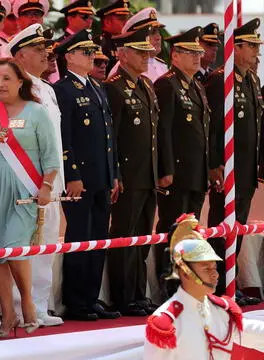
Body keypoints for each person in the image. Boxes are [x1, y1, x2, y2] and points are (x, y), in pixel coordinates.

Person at [0, 58, 60, 337]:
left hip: (24, 189)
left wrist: (46, 186)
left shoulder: (37, 112)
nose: (0, 84)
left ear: (21, 82)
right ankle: (7, 317)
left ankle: (26, 302)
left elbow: (50, 155)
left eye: (6, 78)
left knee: (16, 248)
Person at [53, 29, 120, 321]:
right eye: (85, 52)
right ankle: (76, 300)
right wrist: (72, 174)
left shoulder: (95, 86)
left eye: (92, 52)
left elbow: (108, 136)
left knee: (98, 238)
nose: (92, 57)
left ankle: (92, 297)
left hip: (102, 176)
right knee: (79, 237)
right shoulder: (63, 89)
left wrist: (114, 172)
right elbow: (64, 137)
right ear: (69, 57)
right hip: (80, 178)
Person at [144, 214, 264, 359]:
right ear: (185, 273)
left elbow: (250, 331)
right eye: (206, 269)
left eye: (214, 268)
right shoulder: (166, 323)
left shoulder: (222, 309)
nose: (215, 275)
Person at [7, 23, 64, 327]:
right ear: (19, 56)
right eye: (38, 50)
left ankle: (40, 305)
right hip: (26, 178)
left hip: (51, 178)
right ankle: (21, 306)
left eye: (46, 50)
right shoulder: (13, 87)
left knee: (48, 242)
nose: (46, 55)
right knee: (24, 243)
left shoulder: (47, 89)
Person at [206, 19, 263, 305]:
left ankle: (231, 282)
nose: (257, 52)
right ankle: (218, 284)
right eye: (251, 46)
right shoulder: (220, 79)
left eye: (257, 46)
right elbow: (214, 127)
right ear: (236, 47)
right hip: (227, 168)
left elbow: (256, 126)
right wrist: (214, 163)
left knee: (238, 228)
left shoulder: (252, 79)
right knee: (220, 226)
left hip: (245, 168)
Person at [105, 27, 159, 317]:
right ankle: (122, 296)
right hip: (127, 175)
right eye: (140, 52)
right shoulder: (114, 87)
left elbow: (152, 135)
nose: (146, 57)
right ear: (123, 55)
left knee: (142, 239)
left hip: (146, 175)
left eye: (147, 52)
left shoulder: (146, 85)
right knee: (124, 236)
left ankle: (139, 293)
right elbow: (111, 136)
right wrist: (115, 173)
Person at [154, 27, 210, 301]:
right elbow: (162, 131)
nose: (197, 57)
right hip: (176, 173)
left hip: (196, 172)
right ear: (174, 55)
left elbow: (203, 131)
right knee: (172, 230)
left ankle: (188, 284)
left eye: (199, 52)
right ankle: (169, 287)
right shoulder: (167, 84)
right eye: (190, 52)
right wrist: (166, 169)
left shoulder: (196, 84)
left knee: (191, 233)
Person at [108, 8, 167, 82]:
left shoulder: (161, 65)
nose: (158, 37)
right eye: (152, 32)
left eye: (159, 32)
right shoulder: (125, 66)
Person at [56, 0, 95, 77]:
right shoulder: (59, 44)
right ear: (70, 18)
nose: (89, 21)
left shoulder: (94, 42)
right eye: (84, 17)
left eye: (91, 17)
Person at [95, 0, 130, 76]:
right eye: (122, 19)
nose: (126, 22)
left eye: (127, 18)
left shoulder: (128, 42)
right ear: (107, 21)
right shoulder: (100, 43)